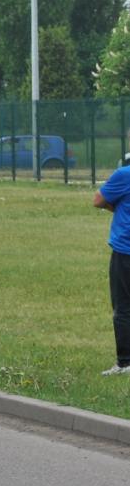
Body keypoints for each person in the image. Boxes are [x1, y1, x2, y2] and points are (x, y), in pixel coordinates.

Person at [92, 150, 130, 374]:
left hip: (126, 251)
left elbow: (98, 200)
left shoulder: (124, 174)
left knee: (124, 306)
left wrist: (116, 207)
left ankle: (125, 362)